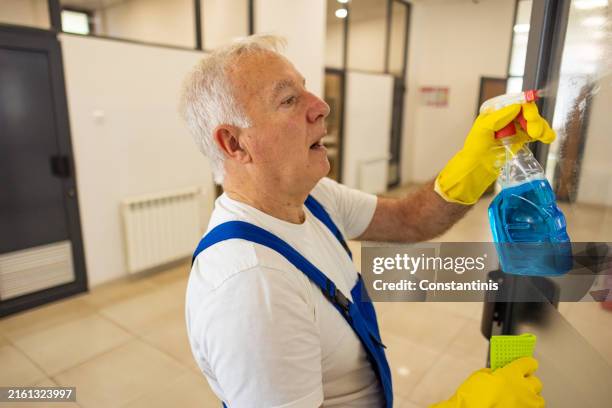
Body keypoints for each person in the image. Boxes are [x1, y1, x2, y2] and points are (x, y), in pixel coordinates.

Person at [180, 35, 551, 408]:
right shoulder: (252, 288)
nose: (321, 106)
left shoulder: (314, 198)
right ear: (234, 144)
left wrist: (477, 161)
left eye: (306, 91)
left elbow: (408, 221)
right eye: (288, 100)